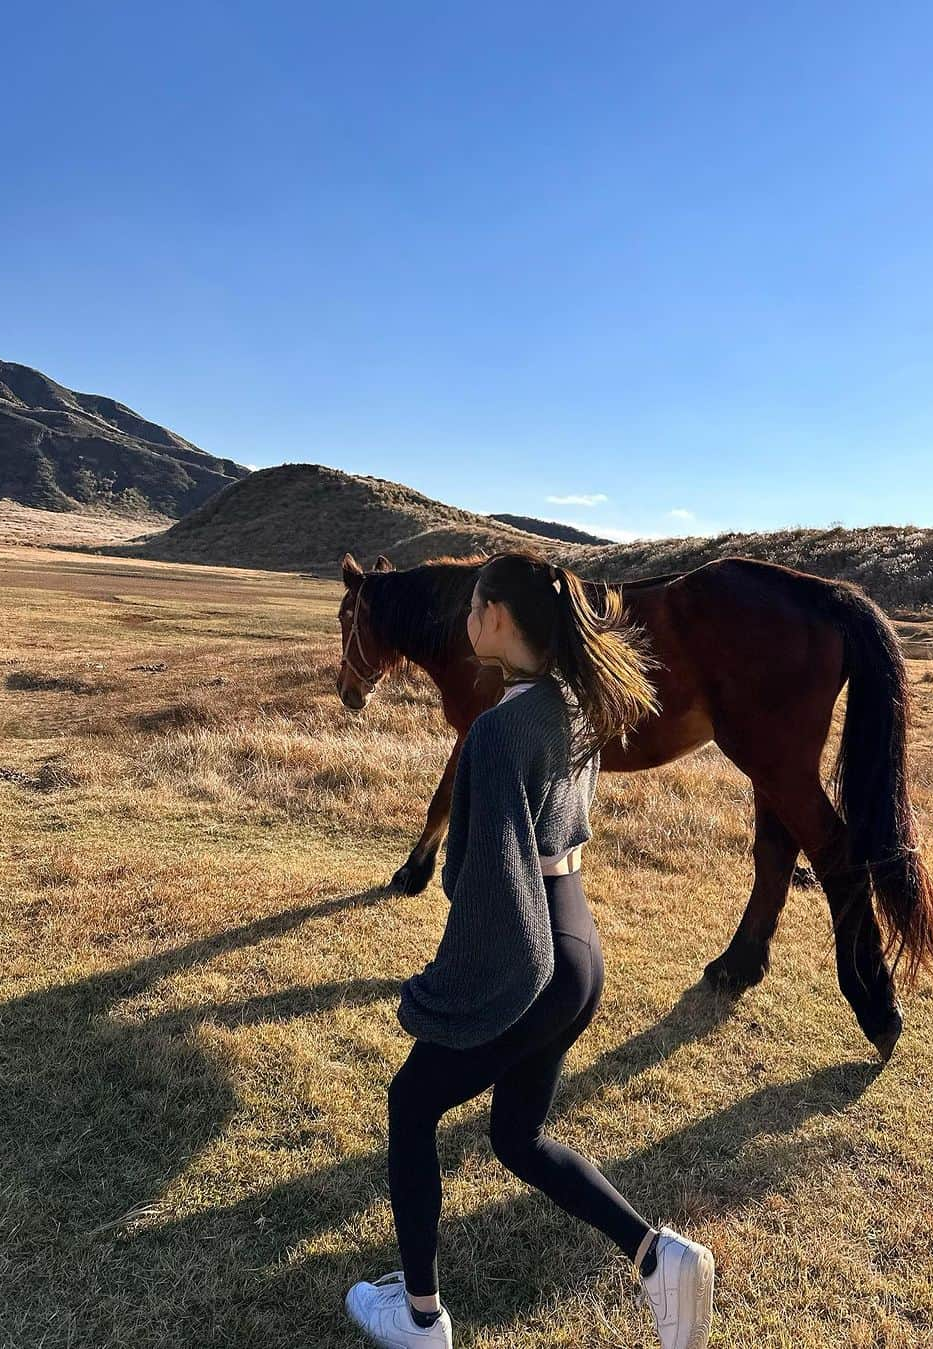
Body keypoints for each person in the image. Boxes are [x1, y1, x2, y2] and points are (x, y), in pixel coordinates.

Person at [345, 551, 715, 1349]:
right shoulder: (576, 701)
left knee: (411, 1105)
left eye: (475, 607)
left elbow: (488, 887)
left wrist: (447, 989)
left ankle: (417, 1320)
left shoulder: (496, 732)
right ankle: (660, 1256)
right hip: (582, 946)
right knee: (517, 1137)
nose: (466, 620)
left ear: (500, 619)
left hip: (536, 954)